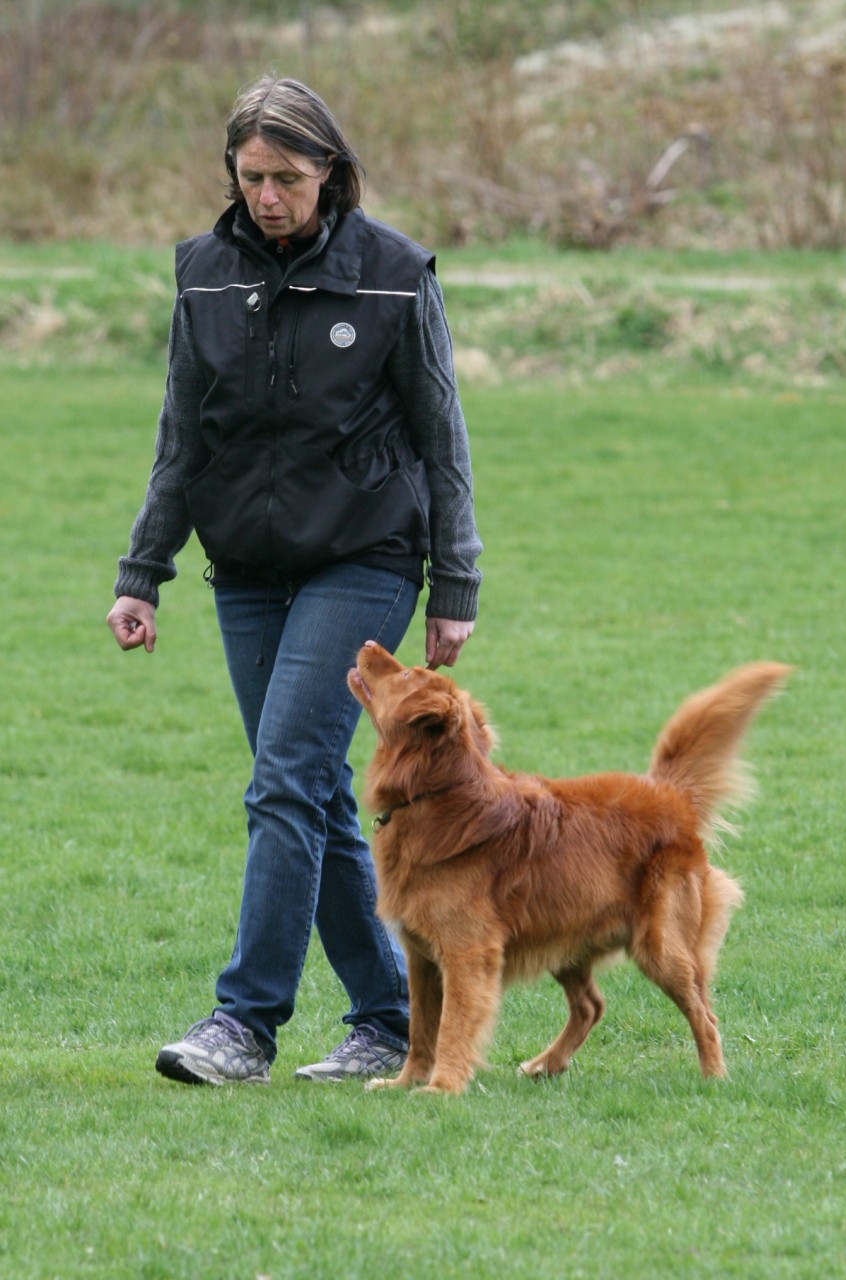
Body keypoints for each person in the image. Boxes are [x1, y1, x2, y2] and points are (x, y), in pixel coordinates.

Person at [106, 76, 482, 1086]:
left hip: (364, 557)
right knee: (311, 793)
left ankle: (245, 1022)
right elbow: (181, 436)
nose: (269, 195)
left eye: (289, 176)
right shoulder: (202, 273)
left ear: (332, 171)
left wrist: (457, 580)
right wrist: (144, 570)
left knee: (281, 779)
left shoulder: (396, 274)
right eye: (251, 175)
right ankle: (386, 1016)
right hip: (246, 569)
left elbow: (443, 436)